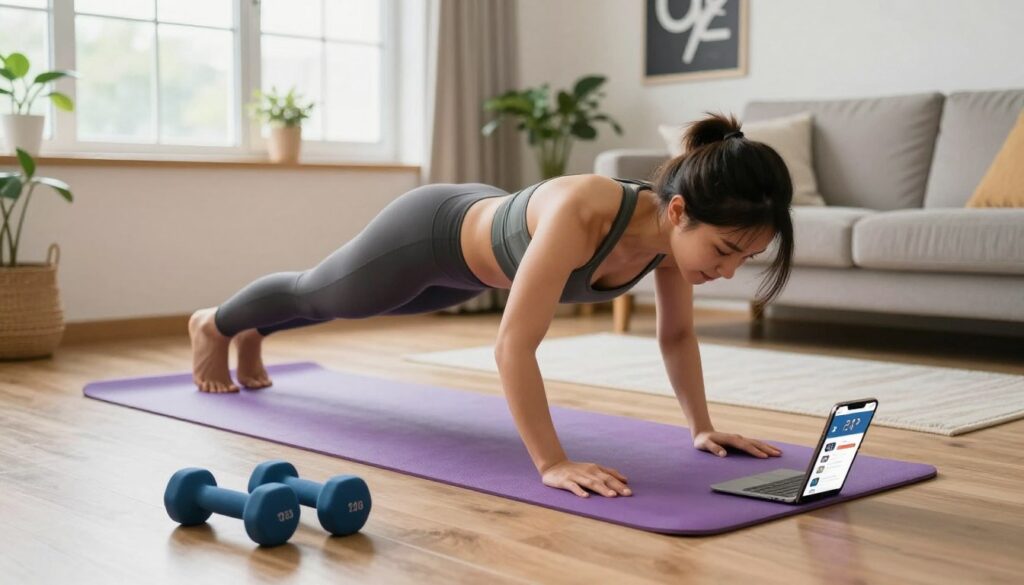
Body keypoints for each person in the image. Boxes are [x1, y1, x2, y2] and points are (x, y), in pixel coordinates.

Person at [188, 113, 793, 499]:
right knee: (319, 292)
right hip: (429, 234)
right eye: (724, 251)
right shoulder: (586, 209)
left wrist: (702, 428)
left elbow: (677, 337)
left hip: (469, 274)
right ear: (680, 210)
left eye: (746, 259)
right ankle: (214, 324)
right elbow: (513, 345)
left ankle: (253, 330)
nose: (727, 271)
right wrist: (551, 462)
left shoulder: (671, 248)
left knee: (346, 307)